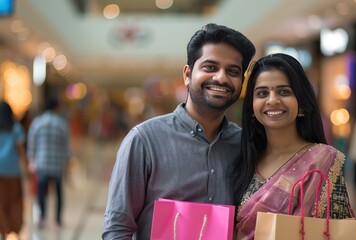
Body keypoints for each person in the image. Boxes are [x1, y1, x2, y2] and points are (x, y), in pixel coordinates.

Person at [102, 23, 256, 239]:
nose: (221, 78)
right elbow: (117, 229)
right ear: (187, 74)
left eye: (233, 71)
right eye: (210, 67)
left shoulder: (245, 144)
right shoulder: (144, 140)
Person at [233, 53, 354, 239]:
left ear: (301, 103)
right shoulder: (243, 158)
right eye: (262, 93)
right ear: (252, 107)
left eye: (284, 92)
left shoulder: (322, 161)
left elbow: (334, 230)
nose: (272, 100)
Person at [27, 96, 72, 228]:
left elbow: (31, 142)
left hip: (42, 162)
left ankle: (42, 217)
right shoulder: (62, 124)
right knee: (58, 191)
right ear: (56, 108)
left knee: (41, 191)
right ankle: (58, 219)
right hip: (57, 163)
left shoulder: (37, 122)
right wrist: (67, 163)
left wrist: (31, 159)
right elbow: (67, 147)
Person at [0, 101, 26, 240]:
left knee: (1, 202)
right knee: (15, 201)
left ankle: (3, 231)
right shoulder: (16, 128)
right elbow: (21, 149)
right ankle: (14, 229)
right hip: (13, 171)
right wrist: (25, 167)